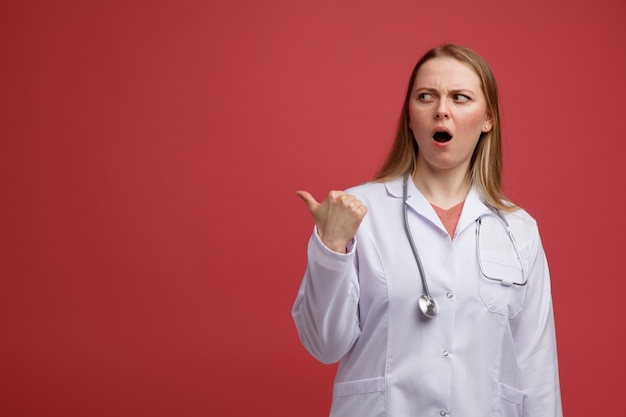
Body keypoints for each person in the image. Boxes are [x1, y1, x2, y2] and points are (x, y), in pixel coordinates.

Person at [292, 44, 562, 417]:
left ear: (488, 119)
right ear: (410, 117)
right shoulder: (354, 212)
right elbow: (324, 345)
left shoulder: (519, 231)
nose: (442, 110)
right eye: (426, 97)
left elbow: (537, 370)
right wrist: (332, 247)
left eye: (460, 98)